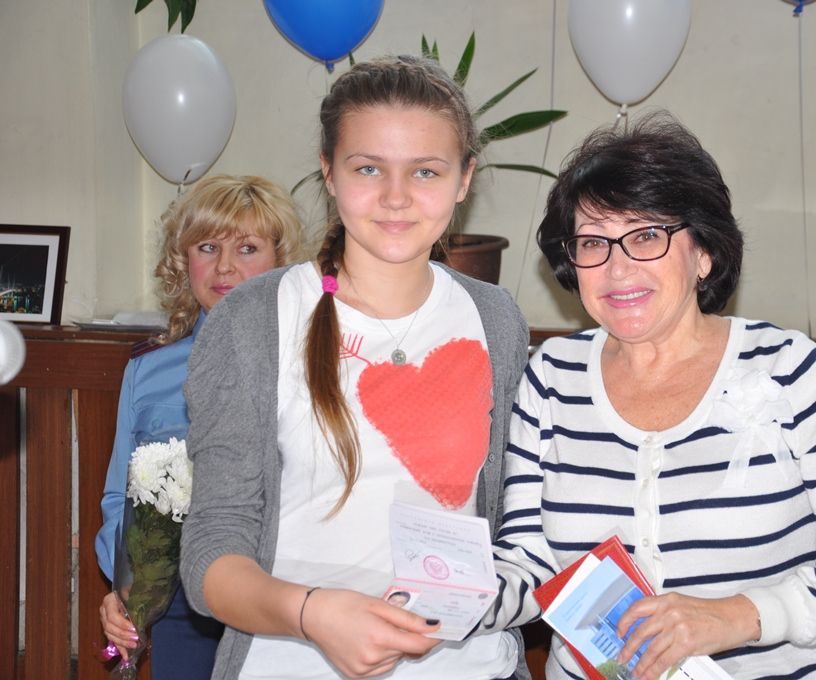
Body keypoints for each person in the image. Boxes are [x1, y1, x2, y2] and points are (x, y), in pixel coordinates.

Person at [486, 113, 816, 680]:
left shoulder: (792, 372)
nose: (617, 268)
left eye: (646, 236)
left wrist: (739, 616)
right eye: (593, 242)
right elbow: (530, 564)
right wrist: (446, 602)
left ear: (704, 253)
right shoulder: (552, 378)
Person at [179, 56, 530, 680]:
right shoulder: (255, 319)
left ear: (464, 179)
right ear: (329, 171)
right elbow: (212, 553)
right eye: (368, 168)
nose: (396, 196)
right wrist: (311, 613)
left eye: (425, 171)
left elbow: (509, 524)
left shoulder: (495, 318)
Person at [96, 174, 305, 677]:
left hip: (281, 599)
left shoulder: (312, 364)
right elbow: (119, 497)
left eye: (248, 248)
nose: (226, 266)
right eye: (208, 247)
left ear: (280, 260)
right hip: (180, 607)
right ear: (182, 260)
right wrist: (123, 587)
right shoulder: (148, 370)